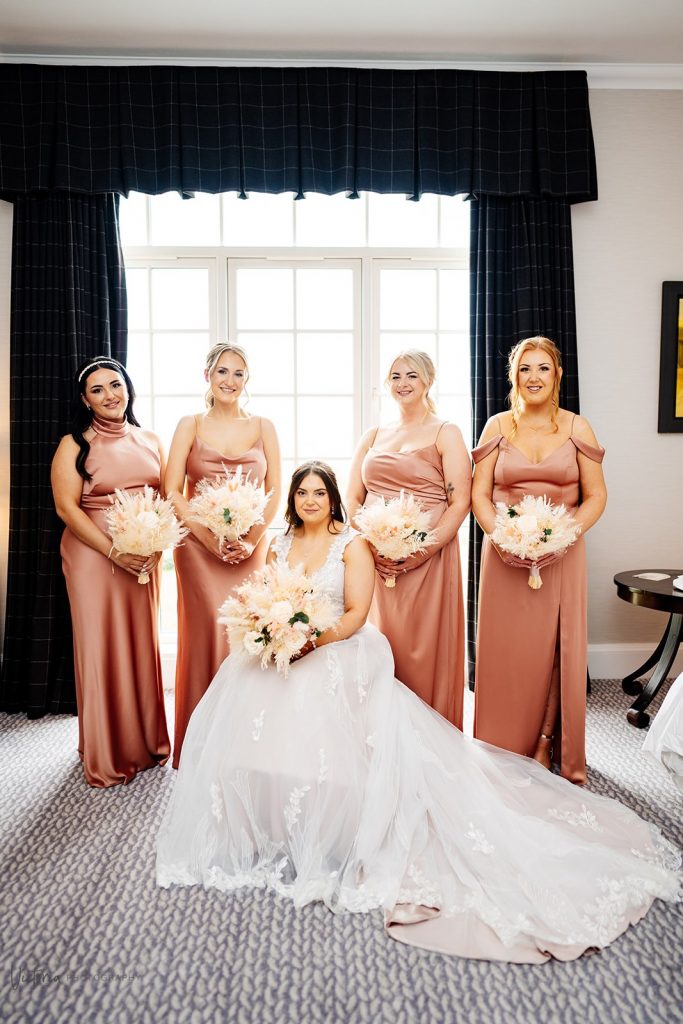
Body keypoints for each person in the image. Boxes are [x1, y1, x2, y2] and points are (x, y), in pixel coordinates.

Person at [156, 462, 679, 964]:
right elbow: (267, 595)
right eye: (301, 493)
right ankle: (271, 822)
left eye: (319, 492)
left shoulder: (351, 544)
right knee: (248, 695)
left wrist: (311, 641)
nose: (309, 501)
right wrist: (271, 633)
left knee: (322, 701)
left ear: (332, 499)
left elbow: (358, 614)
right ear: (292, 501)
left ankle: (339, 823)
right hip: (286, 644)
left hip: (334, 645)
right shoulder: (280, 543)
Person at [471, 336, 607, 785]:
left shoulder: (576, 428)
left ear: (557, 375)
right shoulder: (495, 427)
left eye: (543, 368)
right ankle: (498, 741)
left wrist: (560, 535)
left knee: (554, 650)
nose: (533, 377)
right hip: (505, 555)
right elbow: (480, 496)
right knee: (507, 651)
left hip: (561, 553)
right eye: (525, 369)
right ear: (514, 377)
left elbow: (596, 497)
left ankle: (546, 739)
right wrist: (503, 536)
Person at [51, 357, 170, 787]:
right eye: (97, 390)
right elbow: (67, 508)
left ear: (128, 389)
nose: (110, 395)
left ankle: (146, 742)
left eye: (115, 385)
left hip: (142, 556)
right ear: (85, 400)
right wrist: (113, 551)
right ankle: (107, 752)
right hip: (92, 555)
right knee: (101, 646)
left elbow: (167, 498)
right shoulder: (73, 444)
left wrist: (154, 546)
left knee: (140, 644)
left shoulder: (152, 440)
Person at [165, 343, 281, 768]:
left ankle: (246, 746)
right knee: (206, 635)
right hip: (197, 547)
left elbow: (274, 491)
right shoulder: (189, 425)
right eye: (222, 372)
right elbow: (173, 489)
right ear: (207, 377)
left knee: (248, 636)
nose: (230, 381)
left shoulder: (264, 426)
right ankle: (199, 746)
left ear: (246, 381)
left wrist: (251, 540)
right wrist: (206, 535)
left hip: (249, 548)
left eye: (238, 374)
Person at [346, 351, 470, 728]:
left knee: (423, 651)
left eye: (411, 376)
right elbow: (351, 498)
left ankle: (430, 741)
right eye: (395, 376)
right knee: (381, 648)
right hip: (376, 560)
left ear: (428, 381)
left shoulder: (445, 432)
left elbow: (460, 501)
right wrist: (372, 540)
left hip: (428, 562)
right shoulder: (373, 435)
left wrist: (421, 549)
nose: (402, 383)